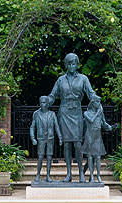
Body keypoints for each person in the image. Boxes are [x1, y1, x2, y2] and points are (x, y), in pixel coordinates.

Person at [47, 53, 97, 182]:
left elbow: (90, 93)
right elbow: (53, 95)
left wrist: (96, 100)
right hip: (64, 113)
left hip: (76, 112)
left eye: (74, 63)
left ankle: (81, 173)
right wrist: (47, 100)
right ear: (65, 65)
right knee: (67, 145)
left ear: (77, 64)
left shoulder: (83, 79)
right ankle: (68, 174)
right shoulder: (60, 80)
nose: (71, 66)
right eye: (69, 63)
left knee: (77, 144)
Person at [81, 95, 115, 183]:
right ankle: (91, 176)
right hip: (89, 135)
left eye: (99, 102)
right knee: (90, 157)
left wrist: (110, 127)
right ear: (93, 103)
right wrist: (97, 114)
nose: (99, 104)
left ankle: (98, 175)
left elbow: (104, 123)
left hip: (97, 136)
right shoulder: (86, 113)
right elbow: (91, 120)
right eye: (97, 102)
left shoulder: (100, 113)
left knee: (98, 157)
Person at [30, 96, 61, 182]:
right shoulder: (36, 114)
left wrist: (60, 137)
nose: (42, 104)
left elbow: (56, 126)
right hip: (41, 138)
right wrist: (33, 138)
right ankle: (38, 175)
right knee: (40, 157)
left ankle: (48, 175)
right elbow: (32, 127)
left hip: (50, 138)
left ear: (48, 104)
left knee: (49, 157)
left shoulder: (52, 114)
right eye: (41, 102)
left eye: (44, 102)